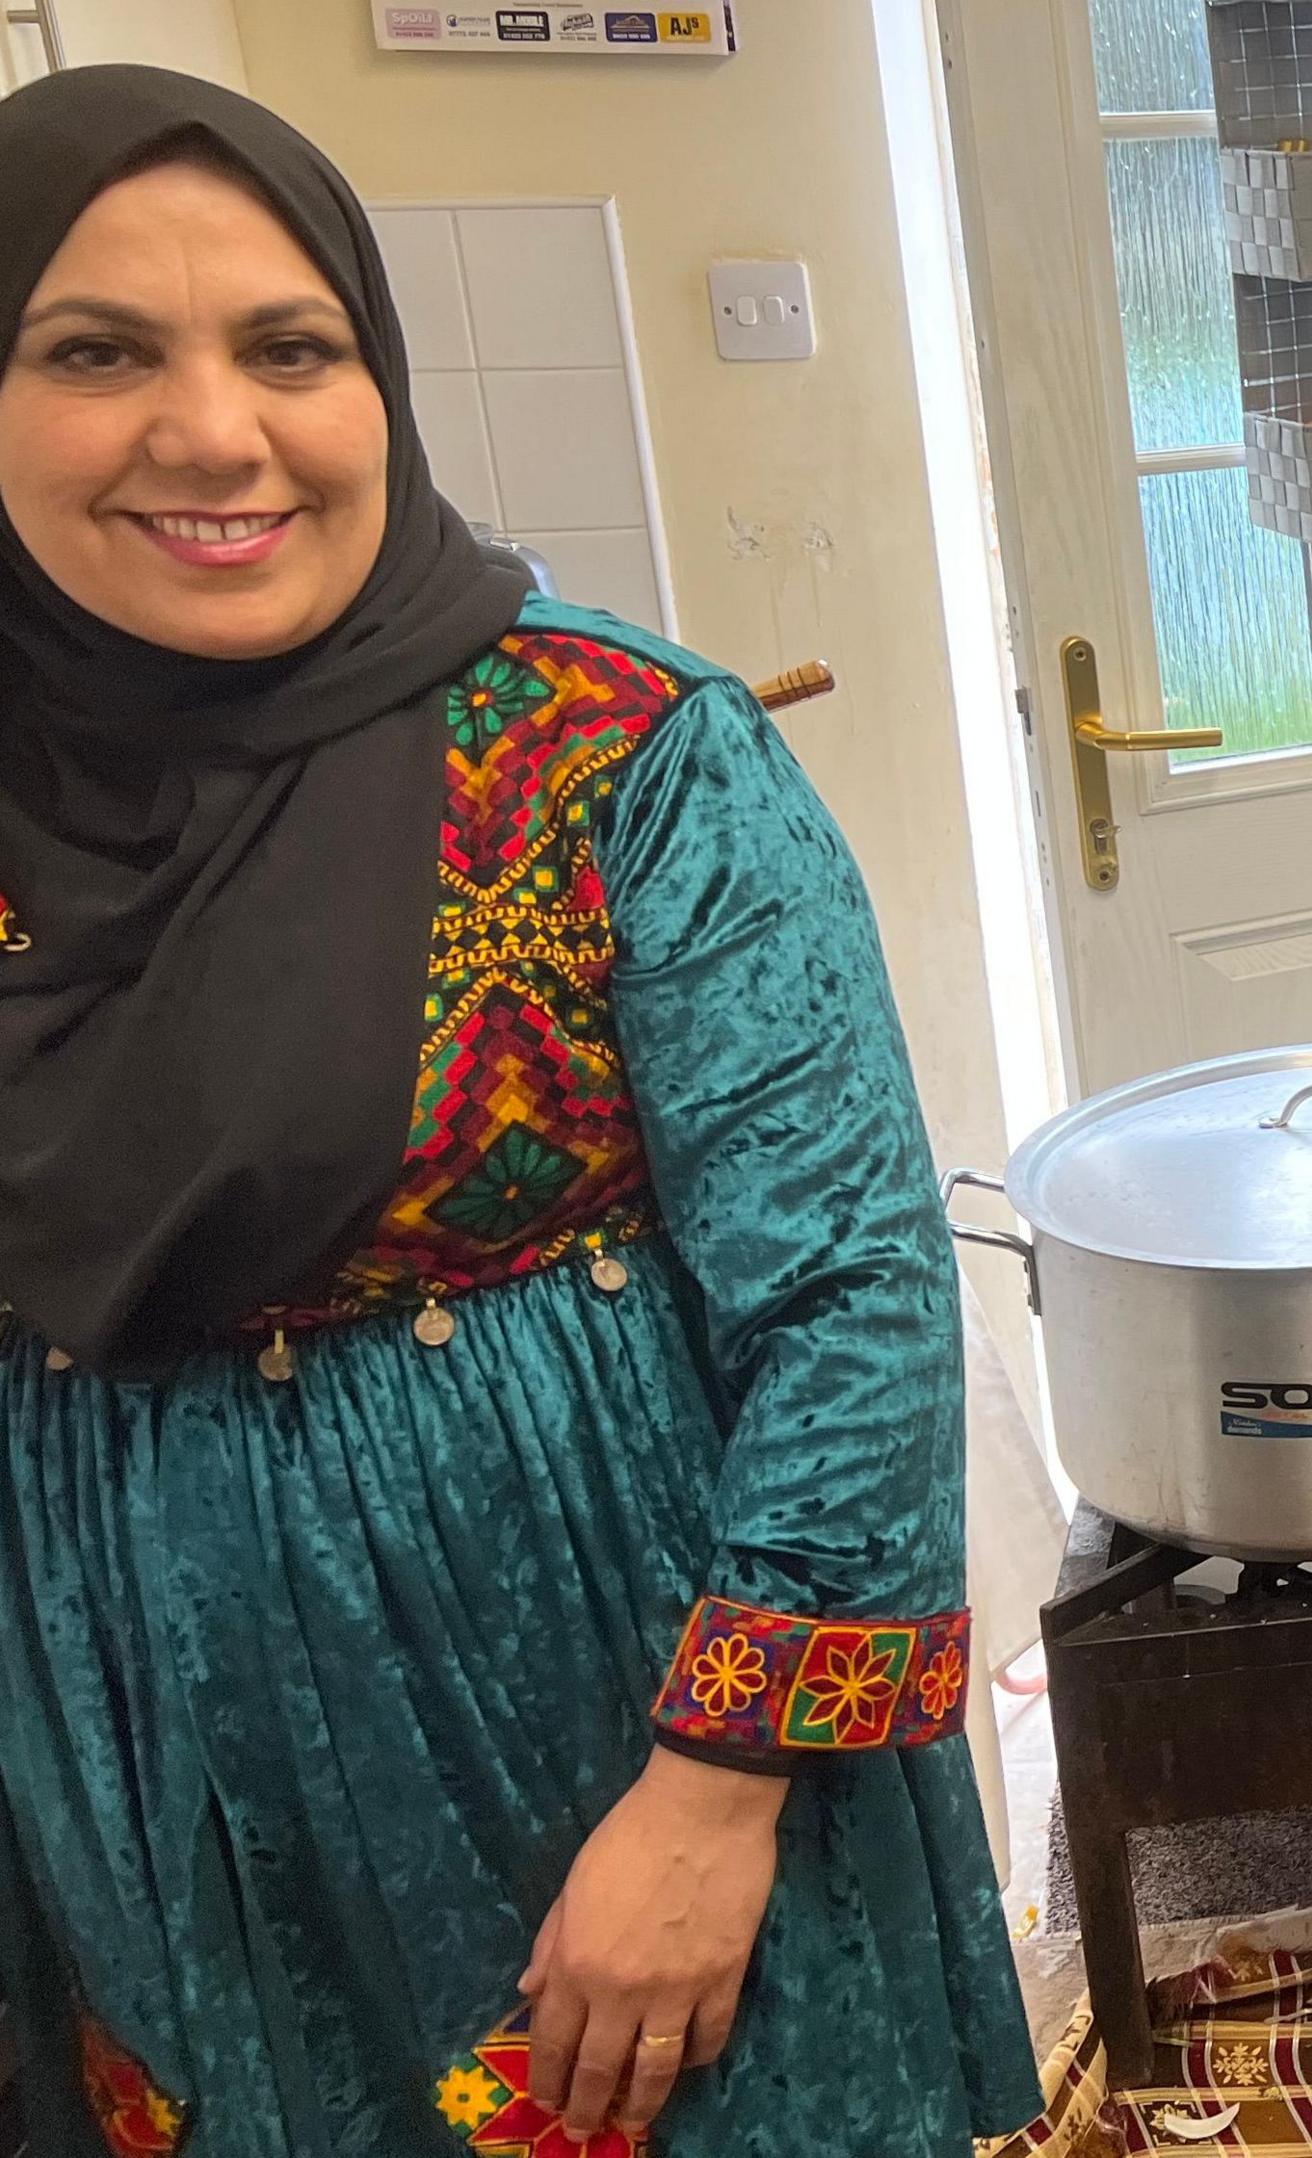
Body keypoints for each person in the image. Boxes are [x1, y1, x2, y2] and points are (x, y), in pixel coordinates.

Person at [0, 67, 1036, 2155]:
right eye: (97, 353)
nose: (214, 432)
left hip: (616, 1760)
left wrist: (713, 1796)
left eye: (291, 349)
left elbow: (853, 1300)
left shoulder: (622, 754)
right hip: (152, 1795)